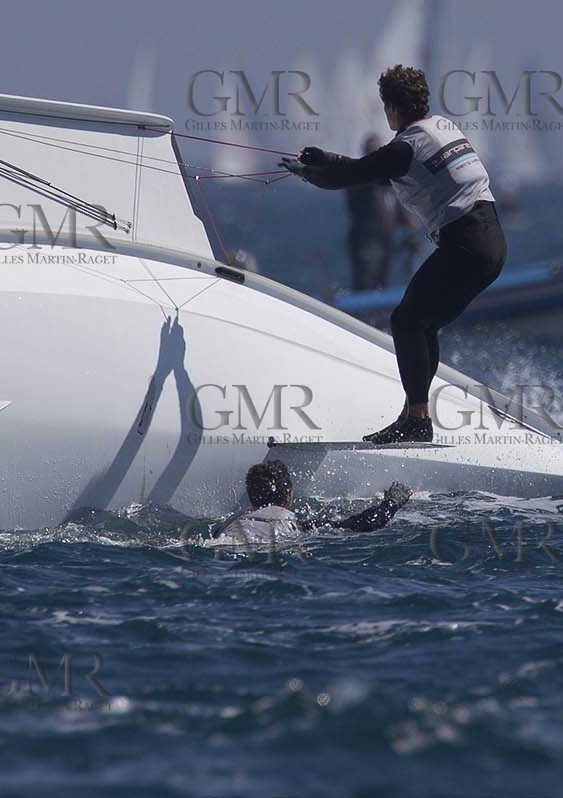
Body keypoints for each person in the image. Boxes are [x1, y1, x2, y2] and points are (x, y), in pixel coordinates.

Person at [282, 64, 507, 445]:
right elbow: (372, 169)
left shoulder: (408, 145)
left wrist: (308, 172)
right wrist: (327, 159)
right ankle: (413, 415)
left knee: (405, 321)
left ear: (391, 107)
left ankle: (417, 420)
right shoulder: (442, 128)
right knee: (423, 324)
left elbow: (354, 175)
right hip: (493, 243)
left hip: (467, 245)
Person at [210, 460, 413, 546]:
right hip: (265, 547)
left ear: (251, 496)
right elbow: (369, 523)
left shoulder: (227, 523)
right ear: (288, 496)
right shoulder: (296, 524)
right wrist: (393, 501)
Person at [344, 134, 397, 290]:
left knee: (382, 279)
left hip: (385, 238)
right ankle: (359, 311)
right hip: (366, 240)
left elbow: (392, 202)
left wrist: (405, 219)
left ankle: (383, 310)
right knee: (366, 279)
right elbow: (356, 192)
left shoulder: (387, 178)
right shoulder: (357, 175)